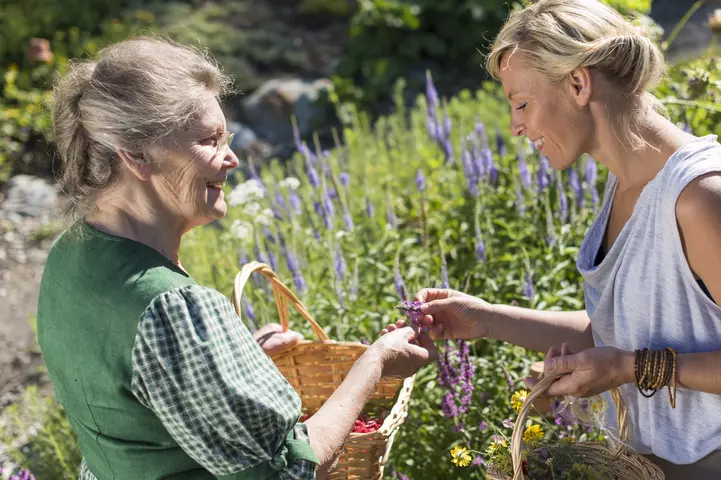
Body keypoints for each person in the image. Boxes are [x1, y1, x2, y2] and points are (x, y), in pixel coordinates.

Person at [402, 0, 721, 478]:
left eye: (521, 103)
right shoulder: (624, 186)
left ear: (579, 84)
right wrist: (485, 319)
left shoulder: (703, 197)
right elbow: (626, 329)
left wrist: (627, 368)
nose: (516, 127)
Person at [37, 36, 436, 480]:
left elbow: (131, 404)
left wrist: (232, 365)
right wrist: (374, 364)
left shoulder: (69, 256)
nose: (232, 158)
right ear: (137, 155)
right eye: (209, 141)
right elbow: (291, 471)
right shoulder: (175, 309)